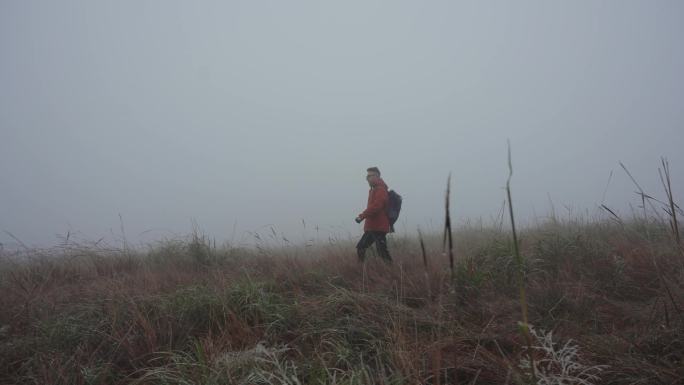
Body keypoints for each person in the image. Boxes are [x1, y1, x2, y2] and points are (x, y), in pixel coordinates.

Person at [355, 167, 392, 263]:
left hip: (378, 227)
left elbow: (376, 206)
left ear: (377, 176)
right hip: (374, 226)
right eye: (367, 176)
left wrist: (362, 216)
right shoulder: (374, 189)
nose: (367, 178)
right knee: (380, 251)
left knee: (363, 247)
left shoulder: (380, 189)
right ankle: (390, 268)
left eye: (369, 176)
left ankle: (362, 270)